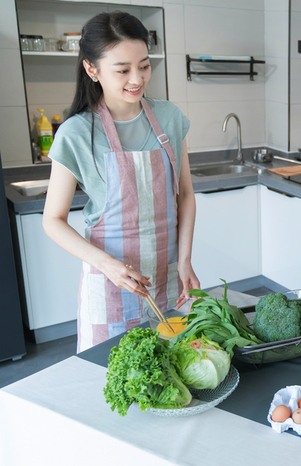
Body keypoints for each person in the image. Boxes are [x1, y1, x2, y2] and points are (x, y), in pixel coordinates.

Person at [43, 12, 199, 352]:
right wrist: (107, 266)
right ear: (92, 69)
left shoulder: (170, 118)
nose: (137, 78)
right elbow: (52, 221)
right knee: (117, 382)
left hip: (170, 277)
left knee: (175, 374)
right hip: (110, 283)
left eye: (144, 66)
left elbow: (185, 195)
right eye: (123, 69)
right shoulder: (77, 133)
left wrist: (185, 260)